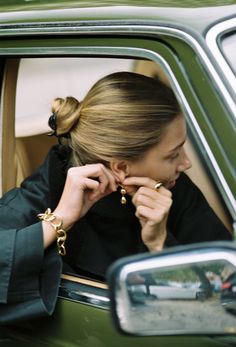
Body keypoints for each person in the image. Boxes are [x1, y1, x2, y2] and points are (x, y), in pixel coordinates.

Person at [0, 71, 231, 324]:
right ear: (121, 167)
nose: (185, 163)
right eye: (172, 155)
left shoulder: (173, 187)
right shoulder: (45, 190)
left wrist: (159, 243)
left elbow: (226, 295)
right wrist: (60, 219)